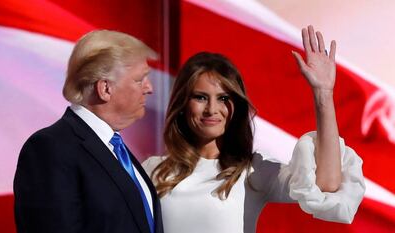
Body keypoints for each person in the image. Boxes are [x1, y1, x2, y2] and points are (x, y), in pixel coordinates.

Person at [142, 26, 365, 233]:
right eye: (200, 97)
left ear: (236, 107)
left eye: (223, 98)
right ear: (182, 104)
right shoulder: (153, 171)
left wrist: (323, 95)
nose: (212, 109)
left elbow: (327, 185)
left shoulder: (253, 172)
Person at [14, 30, 164, 233]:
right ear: (105, 88)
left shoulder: (114, 148)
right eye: (140, 79)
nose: (149, 88)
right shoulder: (50, 149)